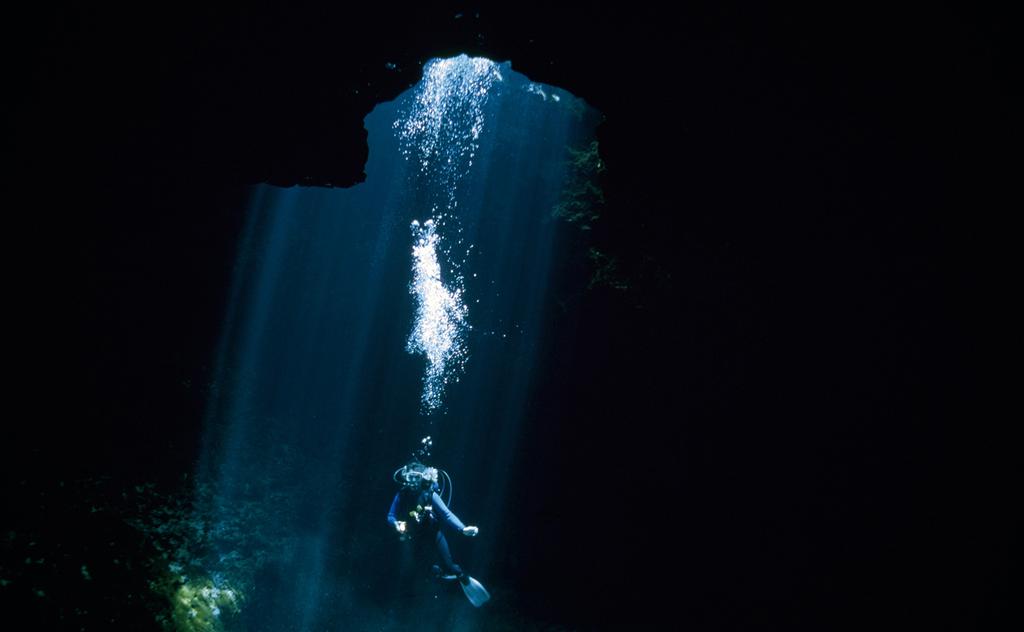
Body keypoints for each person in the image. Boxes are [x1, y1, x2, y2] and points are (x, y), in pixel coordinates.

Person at [387, 437, 490, 607]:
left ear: (422, 478)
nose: (412, 481)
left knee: (450, 566)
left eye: (416, 477)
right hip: (414, 537)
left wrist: (463, 529)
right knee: (420, 570)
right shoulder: (401, 495)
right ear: (404, 477)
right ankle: (436, 574)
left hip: (434, 533)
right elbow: (390, 515)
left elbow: (447, 514)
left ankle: (462, 577)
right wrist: (397, 524)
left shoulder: (429, 494)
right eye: (409, 477)